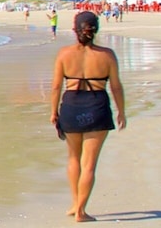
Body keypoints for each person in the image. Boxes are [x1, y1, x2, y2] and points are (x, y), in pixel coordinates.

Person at [48, 11, 126, 222]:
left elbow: (56, 87)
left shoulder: (64, 54)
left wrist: (53, 111)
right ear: (95, 30)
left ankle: (76, 204)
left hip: (71, 106)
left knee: (74, 158)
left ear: (75, 31)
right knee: (89, 164)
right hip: (97, 106)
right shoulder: (107, 55)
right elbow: (116, 87)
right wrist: (122, 112)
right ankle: (81, 210)